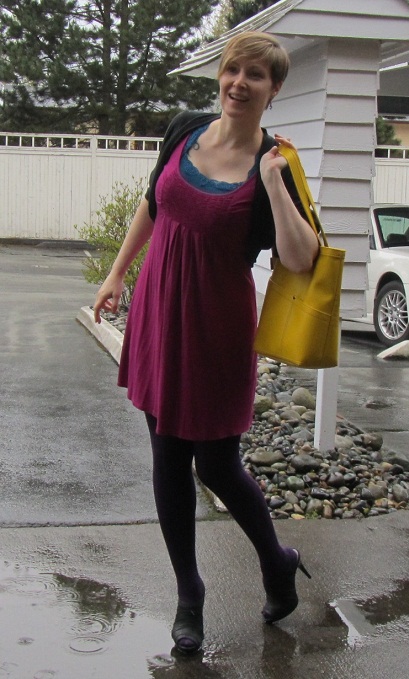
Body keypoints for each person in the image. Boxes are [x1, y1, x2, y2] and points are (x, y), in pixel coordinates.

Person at [93, 31, 319, 655]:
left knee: (217, 463)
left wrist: (274, 184)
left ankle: (276, 560)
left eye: (256, 75)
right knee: (167, 456)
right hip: (158, 311)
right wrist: (117, 273)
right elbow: (153, 204)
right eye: (232, 70)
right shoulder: (184, 130)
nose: (239, 83)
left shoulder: (276, 161)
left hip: (217, 327)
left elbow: (301, 257)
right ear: (221, 76)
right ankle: (189, 595)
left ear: (274, 89)